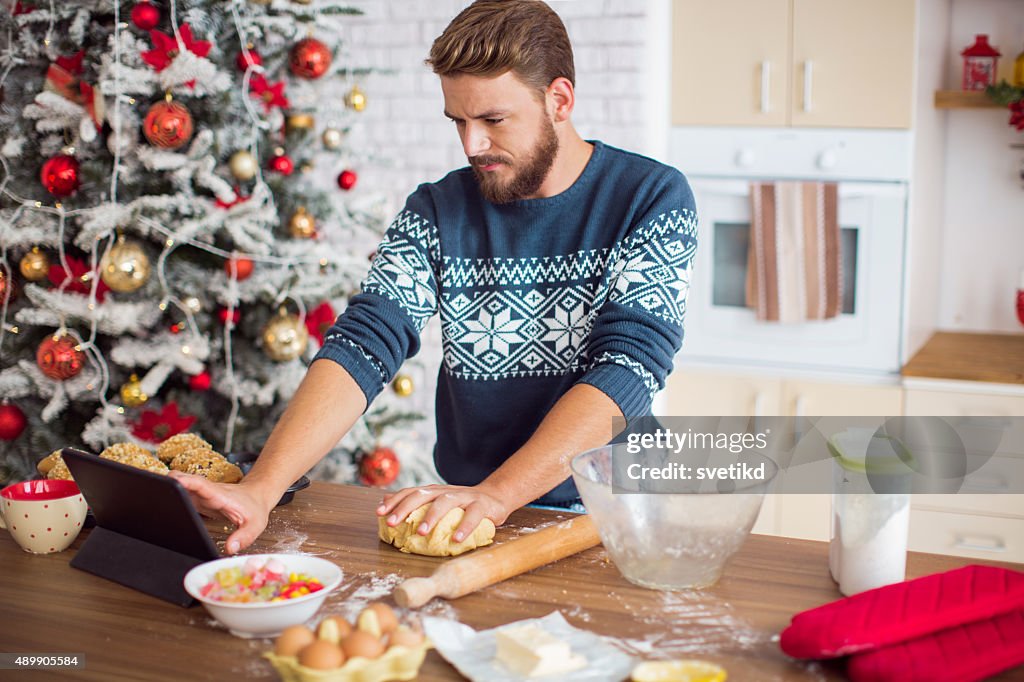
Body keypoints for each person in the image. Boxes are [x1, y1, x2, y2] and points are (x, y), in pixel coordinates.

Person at [173, 0, 697, 555]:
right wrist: (261, 488)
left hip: (614, 511)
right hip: (479, 510)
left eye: (493, 120)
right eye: (459, 122)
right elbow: (366, 340)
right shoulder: (437, 210)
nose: (472, 145)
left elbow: (628, 366)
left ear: (559, 100)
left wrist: (496, 495)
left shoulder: (651, 198)